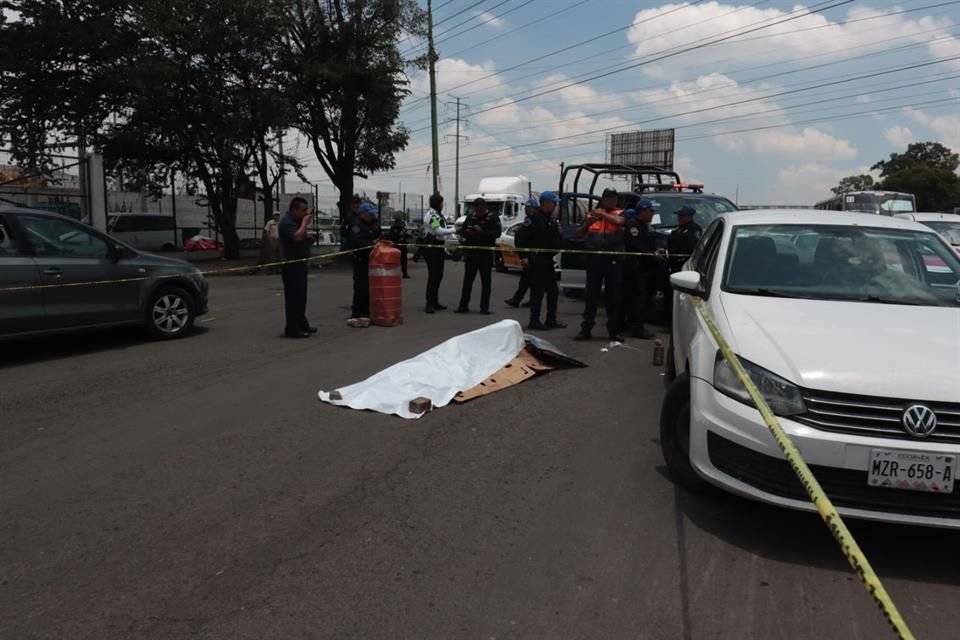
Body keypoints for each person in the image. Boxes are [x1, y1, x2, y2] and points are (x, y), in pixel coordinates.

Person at [575, 187, 625, 342]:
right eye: (608, 198)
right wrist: (588, 222)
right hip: (595, 261)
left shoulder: (620, 213)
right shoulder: (592, 214)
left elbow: (620, 222)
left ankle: (614, 332)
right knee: (591, 296)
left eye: (614, 198)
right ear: (603, 199)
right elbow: (578, 234)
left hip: (613, 261)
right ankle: (586, 329)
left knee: (613, 297)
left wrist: (602, 214)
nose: (611, 201)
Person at [520, 191, 566, 330]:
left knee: (553, 291)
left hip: (547, 260)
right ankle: (534, 320)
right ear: (546, 203)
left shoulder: (548, 219)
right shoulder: (534, 218)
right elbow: (521, 238)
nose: (555, 206)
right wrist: (524, 256)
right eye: (554, 203)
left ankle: (551, 319)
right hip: (537, 259)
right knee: (537, 292)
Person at [456, 197, 502, 315]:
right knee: (467, 281)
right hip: (471, 253)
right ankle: (463, 305)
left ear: (484, 208)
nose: (478, 213)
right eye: (476, 210)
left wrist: (481, 231)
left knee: (486, 282)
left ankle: (484, 307)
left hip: (485, 254)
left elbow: (497, 233)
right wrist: (469, 233)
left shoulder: (492, 217)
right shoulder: (471, 217)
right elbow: (462, 231)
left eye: (480, 210)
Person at [278, 197, 316, 338]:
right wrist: (305, 224)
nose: (306, 213)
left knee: (301, 297)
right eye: (303, 210)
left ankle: (302, 324)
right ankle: (293, 329)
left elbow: (301, 238)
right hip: (291, 265)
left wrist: (309, 238)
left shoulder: (296, 222)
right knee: (294, 298)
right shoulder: (287, 222)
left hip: (300, 263)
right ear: (294, 209)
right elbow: (296, 237)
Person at [622, 199, 659, 339]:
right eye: (651, 211)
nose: (652, 214)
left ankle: (632, 323)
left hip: (643, 267)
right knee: (637, 298)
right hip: (634, 267)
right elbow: (635, 246)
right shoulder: (634, 226)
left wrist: (655, 250)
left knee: (638, 298)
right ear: (643, 211)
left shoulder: (645, 226)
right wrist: (652, 254)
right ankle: (637, 328)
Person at [348, 202, 381, 327]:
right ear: (364, 214)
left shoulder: (370, 224)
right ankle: (357, 313)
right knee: (360, 287)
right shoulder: (357, 226)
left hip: (369, 261)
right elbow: (357, 242)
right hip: (360, 261)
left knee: (368, 288)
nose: (373, 216)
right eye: (371, 214)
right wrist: (372, 243)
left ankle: (366, 312)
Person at [421, 193, 456, 313]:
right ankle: (429, 304)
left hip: (438, 247)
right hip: (431, 247)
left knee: (438, 276)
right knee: (433, 276)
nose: (442, 205)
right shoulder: (432, 215)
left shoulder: (437, 214)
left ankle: (435, 301)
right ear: (437, 203)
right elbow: (438, 230)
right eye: (441, 202)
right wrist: (453, 230)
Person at [504, 198, 538, 308]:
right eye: (526, 208)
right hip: (530, 254)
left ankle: (522, 300)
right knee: (527, 279)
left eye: (529, 207)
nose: (527, 210)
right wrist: (524, 256)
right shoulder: (530, 220)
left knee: (531, 280)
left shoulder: (534, 220)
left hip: (534, 255)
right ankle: (518, 300)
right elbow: (520, 237)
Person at [387, 214, 411, 278]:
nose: (400, 223)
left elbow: (407, 236)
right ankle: (394, 274)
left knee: (404, 260)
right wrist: (400, 234)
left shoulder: (402, 227)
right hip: (396, 246)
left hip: (403, 246)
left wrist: (406, 234)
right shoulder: (394, 228)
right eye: (399, 221)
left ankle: (405, 273)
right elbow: (393, 237)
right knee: (396, 261)